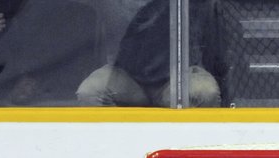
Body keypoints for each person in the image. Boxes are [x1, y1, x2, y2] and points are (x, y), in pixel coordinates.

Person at [76, 0, 223, 107]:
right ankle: (114, 145)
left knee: (205, 92)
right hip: (127, 78)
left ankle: (189, 146)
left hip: (176, 79)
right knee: (90, 91)